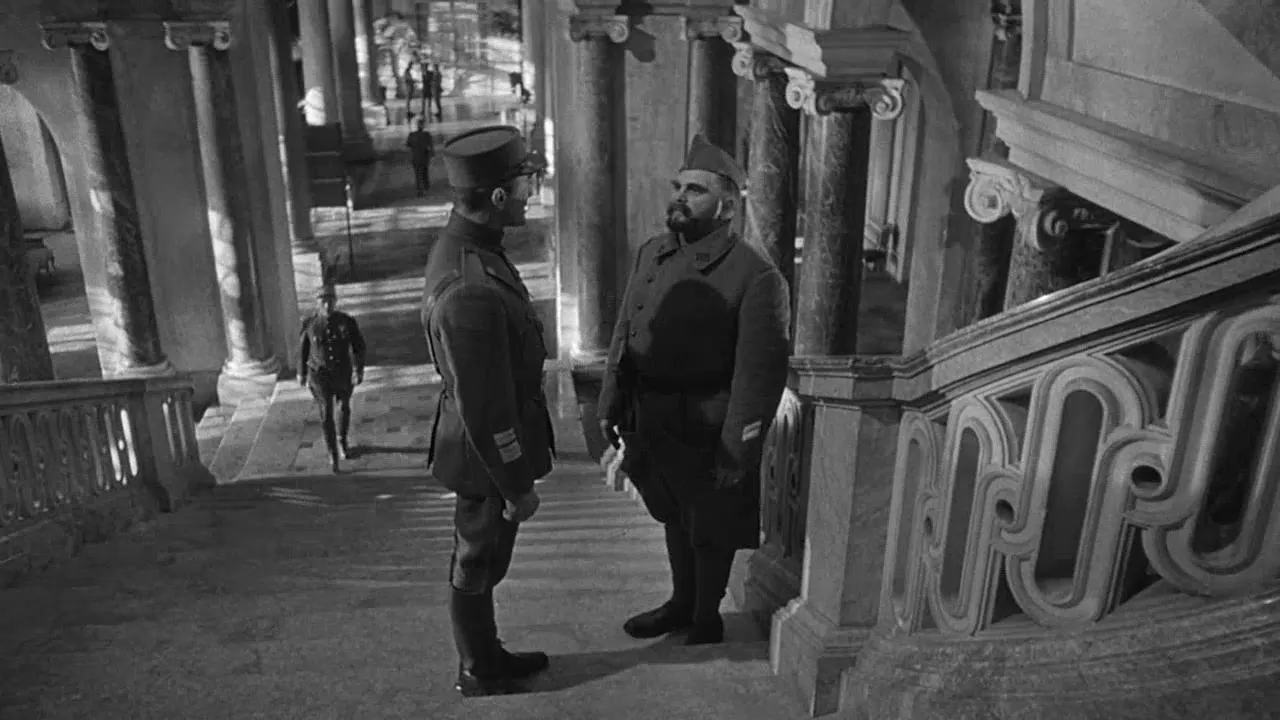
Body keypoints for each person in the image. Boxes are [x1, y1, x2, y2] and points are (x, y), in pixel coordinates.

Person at [597, 134, 791, 645]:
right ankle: (681, 602)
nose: (680, 197)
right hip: (650, 416)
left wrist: (738, 447)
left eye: (695, 190)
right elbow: (625, 328)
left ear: (726, 205)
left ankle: (706, 616)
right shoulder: (653, 252)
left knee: (708, 525)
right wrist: (610, 399)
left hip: (706, 425)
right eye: (678, 186)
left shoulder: (755, 276)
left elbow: (759, 374)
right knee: (671, 513)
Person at [421, 125, 554, 696]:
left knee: (483, 559)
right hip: (484, 457)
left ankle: (487, 653)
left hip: (482, 449)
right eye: (525, 184)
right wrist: (516, 484)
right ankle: (478, 669)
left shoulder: (473, 248)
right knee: (477, 560)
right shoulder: (470, 286)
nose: (530, 194)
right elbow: (486, 408)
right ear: (498, 195)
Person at [298, 285, 367, 473]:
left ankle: (341, 440)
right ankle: (332, 453)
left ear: (335, 301)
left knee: (343, 407)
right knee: (326, 411)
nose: (327, 305)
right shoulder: (310, 324)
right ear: (317, 303)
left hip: (342, 372)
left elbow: (358, 347)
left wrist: (358, 370)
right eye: (323, 301)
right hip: (319, 374)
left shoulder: (346, 322)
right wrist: (301, 373)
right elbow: (303, 349)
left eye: (330, 301)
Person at [406, 119, 434, 197]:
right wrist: (432, 155)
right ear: (423, 126)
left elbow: (408, 145)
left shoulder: (411, 135)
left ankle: (419, 190)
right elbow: (430, 146)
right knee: (425, 172)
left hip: (415, 157)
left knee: (417, 174)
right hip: (424, 157)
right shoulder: (427, 135)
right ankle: (425, 187)